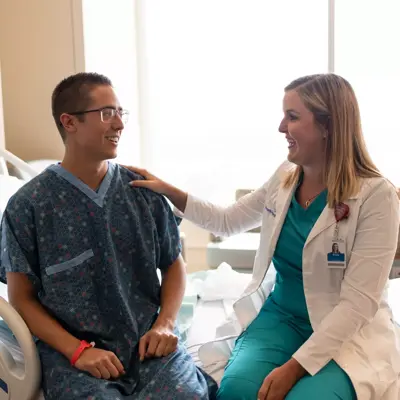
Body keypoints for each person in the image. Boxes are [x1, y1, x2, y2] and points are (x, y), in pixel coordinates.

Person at [126, 74, 400, 400]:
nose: (281, 127)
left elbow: (357, 305)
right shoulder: (286, 176)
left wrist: (294, 368)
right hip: (282, 317)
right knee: (237, 391)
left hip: (345, 333)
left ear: (328, 126)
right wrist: (168, 190)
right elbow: (227, 220)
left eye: (293, 116)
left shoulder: (376, 196)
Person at [0, 72, 217, 400]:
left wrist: (165, 324)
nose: (119, 124)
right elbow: (22, 299)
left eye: (120, 112)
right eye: (106, 113)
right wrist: (77, 351)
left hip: (148, 346)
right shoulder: (29, 206)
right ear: (69, 122)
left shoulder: (142, 192)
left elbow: (174, 264)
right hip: (74, 357)